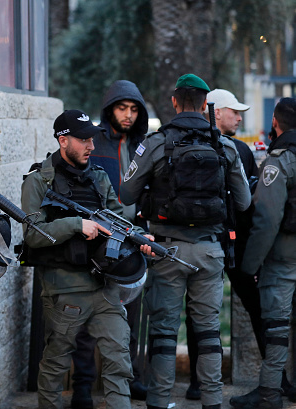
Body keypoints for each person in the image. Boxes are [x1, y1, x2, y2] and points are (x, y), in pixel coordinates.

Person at [119, 74, 251, 409]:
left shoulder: (156, 142)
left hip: (166, 251)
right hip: (210, 250)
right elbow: (245, 201)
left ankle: (160, 402)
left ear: (175, 102)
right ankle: (212, 402)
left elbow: (126, 193)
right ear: (206, 105)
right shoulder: (224, 145)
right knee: (208, 333)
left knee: (163, 333)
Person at [20, 109, 154, 409]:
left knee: (119, 362)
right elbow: (32, 234)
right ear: (63, 140)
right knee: (55, 365)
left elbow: (117, 218)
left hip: (103, 287)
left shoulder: (97, 177)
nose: (91, 146)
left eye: (92, 139)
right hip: (64, 288)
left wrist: (140, 238)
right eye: (83, 140)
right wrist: (76, 225)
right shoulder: (39, 181)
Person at [70, 80, 149, 407]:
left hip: (134, 240)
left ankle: (126, 381)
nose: (127, 115)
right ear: (110, 108)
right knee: (87, 319)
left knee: (127, 317)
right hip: (95, 239)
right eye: (121, 108)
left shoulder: (145, 144)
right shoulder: (93, 141)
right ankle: (83, 387)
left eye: (133, 109)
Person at [184, 88, 262, 400]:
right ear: (216, 112)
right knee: (204, 311)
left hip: (218, 242)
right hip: (226, 243)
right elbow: (249, 203)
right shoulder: (235, 150)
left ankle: (196, 382)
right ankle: (276, 379)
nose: (239, 117)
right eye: (234, 111)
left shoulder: (235, 149)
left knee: (198, 313)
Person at [229, 97, 296, 409]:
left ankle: (270, 393)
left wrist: (249, 265)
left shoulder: (279, 161)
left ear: (275, 123)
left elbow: (267, 220)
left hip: (282, 256)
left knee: (277, 326)